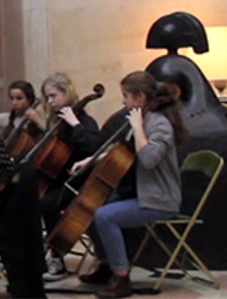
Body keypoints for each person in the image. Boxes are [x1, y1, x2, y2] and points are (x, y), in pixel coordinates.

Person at [74, 71, 188, 298]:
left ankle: (121, 277)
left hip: (159, 199)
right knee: (88, 209)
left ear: (140, 98)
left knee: (105, 216)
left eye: (126, 96)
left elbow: (149, 158)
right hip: (138, 192)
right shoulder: (142, 118)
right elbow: (119, 150)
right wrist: (90, 159)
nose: (123, 101)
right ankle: (107, 265)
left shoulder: (160, 124)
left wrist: (137, 128)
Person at [36, 73, 102, 282]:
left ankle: (58, 259)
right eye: (47, 97)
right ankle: (34, 257)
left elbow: (94, 148)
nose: (50, 101)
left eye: (53, 96)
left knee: (48, 204)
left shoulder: (84, 121)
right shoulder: (55, 121)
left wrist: (75, 124)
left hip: (79, 182)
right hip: (59, 180)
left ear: (67, 93)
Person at [0, 80, 41, 146]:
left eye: (19, 98)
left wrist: (39, 121)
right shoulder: (6, 118)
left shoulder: (38, 117)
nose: (14, 103)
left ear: (29, 99)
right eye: (12, 98)